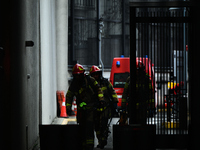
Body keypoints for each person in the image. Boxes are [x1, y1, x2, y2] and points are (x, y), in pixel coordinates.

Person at [65, 63, 104, 150]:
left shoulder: (90, 80)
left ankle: (89, 146)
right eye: (76, 75)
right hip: (81, 109)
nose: (78, 77)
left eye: (79, 75)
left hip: (91, 109)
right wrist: (68, 108)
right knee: (81, 127)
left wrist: (101, 100)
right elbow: (69, 96)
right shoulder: (74, 84)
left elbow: (98, 90)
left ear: (82, 74)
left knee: (89, 127)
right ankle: (82, 145)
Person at [89, 65, 119, 149]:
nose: (95, 76)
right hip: (95, 109)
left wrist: (115, 102)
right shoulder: (89, 85)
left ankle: (103, 140)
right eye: (94, 74)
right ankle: (100, 140)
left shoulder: (105, 82)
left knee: (104, 125)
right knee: (97, 126)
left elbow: (112, 92)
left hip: (105, 108)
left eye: (97, 74)